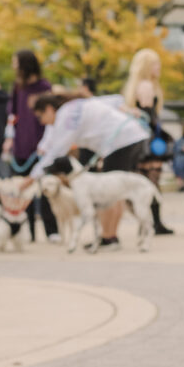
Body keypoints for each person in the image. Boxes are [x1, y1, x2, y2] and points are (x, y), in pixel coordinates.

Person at [26, 92, 150, 250]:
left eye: (40, 117)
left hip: (120, 141)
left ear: (49, 109)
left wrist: (32, 176)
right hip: (132, 135)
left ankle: (109, 238)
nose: (42, 122)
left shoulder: (66, 116)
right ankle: (110, 236)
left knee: (111, 191)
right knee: (118, 190)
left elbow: (57, 151)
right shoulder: (74, 106)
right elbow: (116, 99)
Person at [123, 48, 175, 234]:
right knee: (151, 183)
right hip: (149, 142)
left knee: (143, 183)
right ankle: (155, 223)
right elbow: (148, 115)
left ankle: (147, 223)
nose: (159, 67)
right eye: (156, 64)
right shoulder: (146, 86)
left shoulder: (135, 86)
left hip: (138, 140)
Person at [6, 49, 56, 241]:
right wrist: (9, 138)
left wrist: (47, 142)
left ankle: (51, 230)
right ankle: (28, 232)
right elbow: (13, 115)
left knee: (45, 187)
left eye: (15, 62)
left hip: (42, 142)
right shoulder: (18, 87)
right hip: (21, 143)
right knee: (22, 188)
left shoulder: (44, 86)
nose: (13, 66)